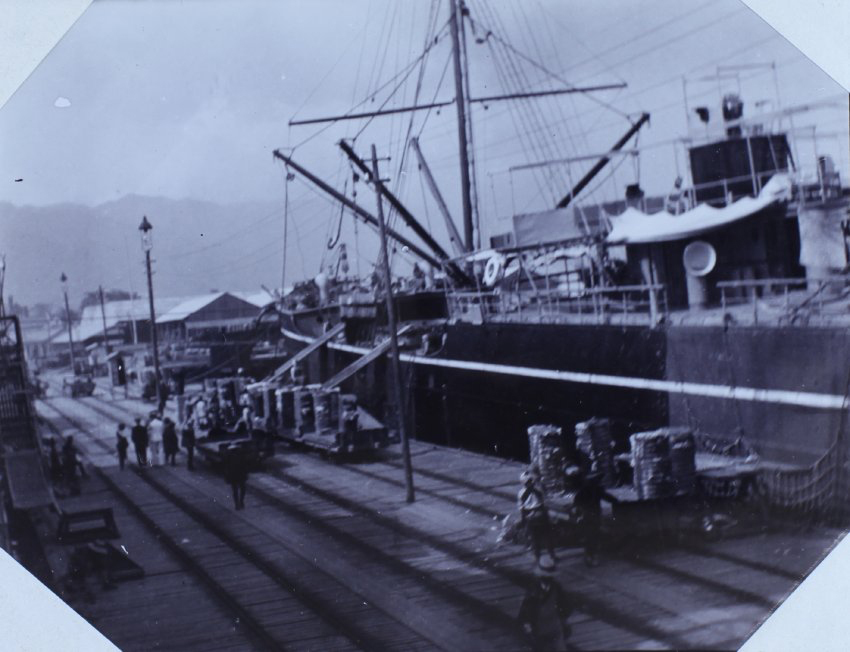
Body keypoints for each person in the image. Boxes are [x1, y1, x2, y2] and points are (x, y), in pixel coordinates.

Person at [517, 560, 574, 652]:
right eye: (545, 577)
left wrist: (563, 618)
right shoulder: (533, 590)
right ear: (540, 577)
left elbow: (566, 605)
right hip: (539, 629)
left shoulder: (556, 587)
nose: (547, 579)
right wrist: (527, 624)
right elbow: (525, 609)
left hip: (554, 627)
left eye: (549, 577)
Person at [518, 467, 556, 565]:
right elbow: (544, 502)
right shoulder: (539, 489)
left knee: (535, 538)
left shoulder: (521, 493)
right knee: (547, 536)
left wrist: (523, 521)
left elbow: (521, 508)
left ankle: (537, 557)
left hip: (530, 516)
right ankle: (552, 555)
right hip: (541, 513)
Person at [574, 471, 604, 567]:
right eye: (596, 480)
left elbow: (606, 496)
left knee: (594, 536)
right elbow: (576, 503)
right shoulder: (584, 491)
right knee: (590, 537)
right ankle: (589, 557)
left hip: (594, 516)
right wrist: (579, 513)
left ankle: (592, 556)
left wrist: (616, 501)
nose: (598, 481)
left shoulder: (596, 489)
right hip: (588, 516)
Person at [223, 444, 249, 510]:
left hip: (237, 475)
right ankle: (238, 503)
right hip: (236, 475)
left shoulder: (240, 456)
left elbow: (245, 465)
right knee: (238, 489)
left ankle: (239, 502)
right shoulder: (229, 457)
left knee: (239, 490)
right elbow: (227, 467)